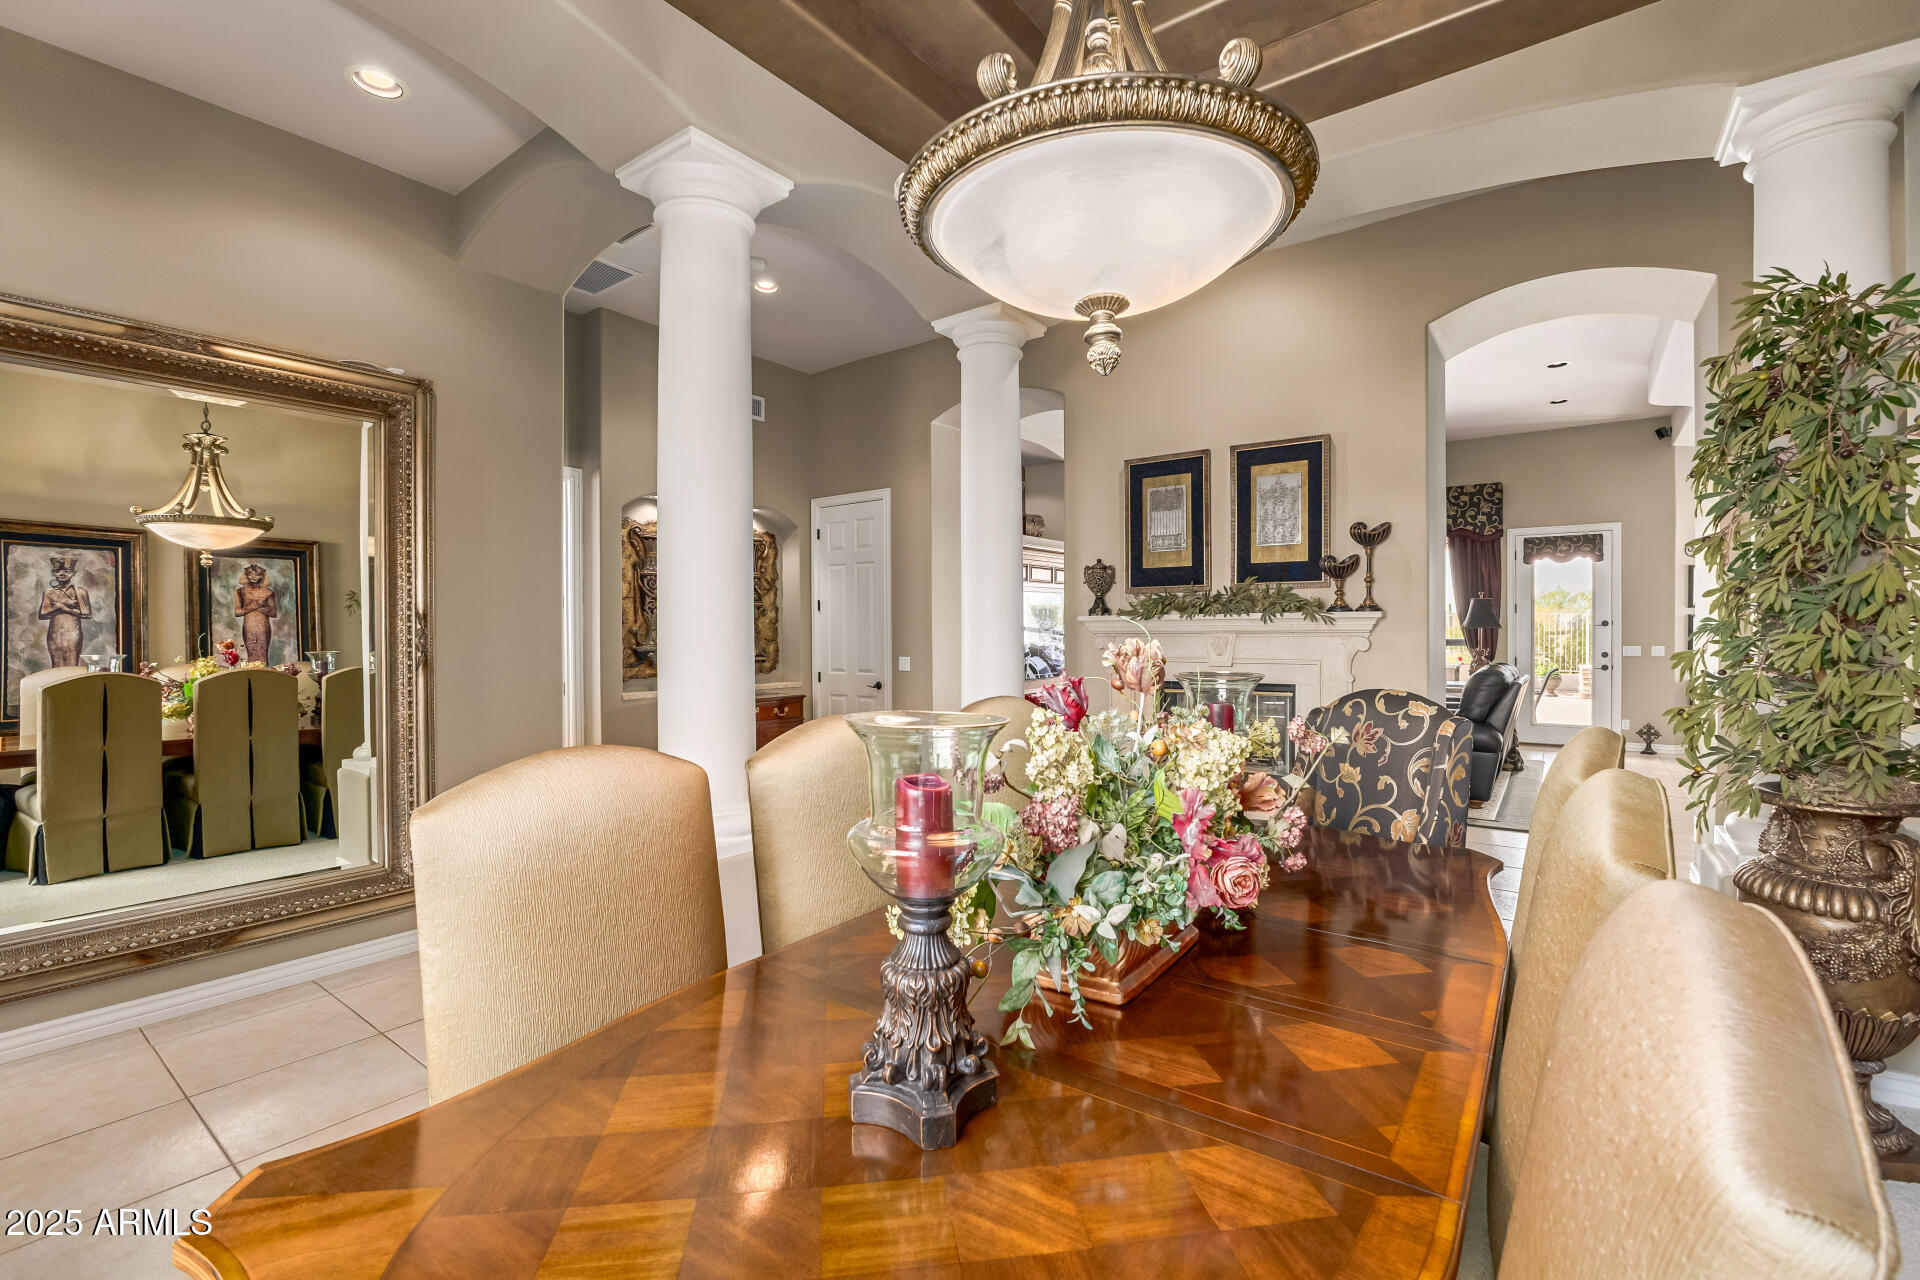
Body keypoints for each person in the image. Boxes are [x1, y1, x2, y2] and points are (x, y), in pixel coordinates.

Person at [37, 554, 89, 667]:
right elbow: (42, 614)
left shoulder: (81, 592)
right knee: (56, 664)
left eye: (67, 571)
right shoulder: (49, 592)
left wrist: (65, 608)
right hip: (55, 633)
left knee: (72, 663)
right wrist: (58, 606)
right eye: (58, 571)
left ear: (73, 573)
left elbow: (87, 614)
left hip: (73, 633)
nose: (62, 574)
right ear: (53, 573)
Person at [234, 563, 277, 665]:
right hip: (249, 625)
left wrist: (258, 607)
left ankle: (265, 676)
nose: (253, 577)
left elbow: (273, 613)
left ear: (262, 576)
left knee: (263, 653)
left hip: (263, 625)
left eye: (257, 574)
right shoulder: (240, 592)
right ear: (246, 575)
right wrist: (256, 605)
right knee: (251, 653)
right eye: (250, 574)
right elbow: (238, 612)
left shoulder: (268, 592)